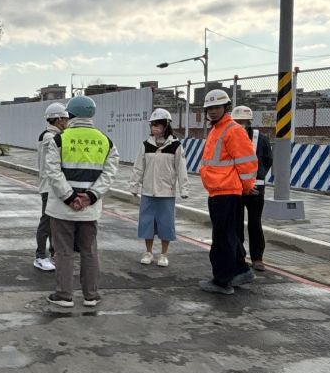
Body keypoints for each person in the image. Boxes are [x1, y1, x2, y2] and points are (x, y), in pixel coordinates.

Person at [44, 95, 119, 307]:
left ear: (70, 115)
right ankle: (91, 295)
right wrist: (91, 196)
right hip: (89, 208)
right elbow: (110, 173)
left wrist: (69, 197)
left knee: (63, 252)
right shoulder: (106, 141)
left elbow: (53, 171)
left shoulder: (59, 139)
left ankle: (64, 295)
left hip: (62, 208)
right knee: (89, 251)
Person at [199, 90, 259, 295]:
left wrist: (247, 186)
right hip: (218, 190)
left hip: (226, 191)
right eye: (210, 108)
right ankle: (241, 270)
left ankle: (222, 281)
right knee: (229, 234)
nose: (213, 111)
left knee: (222, 238)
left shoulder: (232, 130)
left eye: (217, 107)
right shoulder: (217, 130)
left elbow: (247, 161)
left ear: (226, 107)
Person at [129, 108, 189, 267]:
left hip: (166, 193)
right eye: (152, 125)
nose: (153, 128)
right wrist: (134, 186)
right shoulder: (146, 145)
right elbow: (138, 167)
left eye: (157, 125)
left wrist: (184, 189)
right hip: (148, 192)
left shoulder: (176, 146)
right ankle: (148, 252)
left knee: (166, 225)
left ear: (166, 126)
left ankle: (164, 254)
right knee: (147, 224)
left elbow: (181, 168)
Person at [231, 105, 273, 271]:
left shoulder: (260, 139)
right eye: (237, 121)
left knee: (255, 223)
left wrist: (256, 178)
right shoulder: (230, 138)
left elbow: (267, 161)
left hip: (256, 189)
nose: (241, 124)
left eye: (243, 121)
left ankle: (257, 258)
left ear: (249, 121)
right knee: (237, 223)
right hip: (236, 188)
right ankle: (239, 256)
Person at [34, 102, 70, 271]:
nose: (67, 122)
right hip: (50, 186)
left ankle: (53, 253)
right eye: (66, 119)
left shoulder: (52, 135)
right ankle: (40, 256)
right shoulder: (50, 137)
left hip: (53, 186)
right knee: (47, 222)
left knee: (56, 223)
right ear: (58, 120)